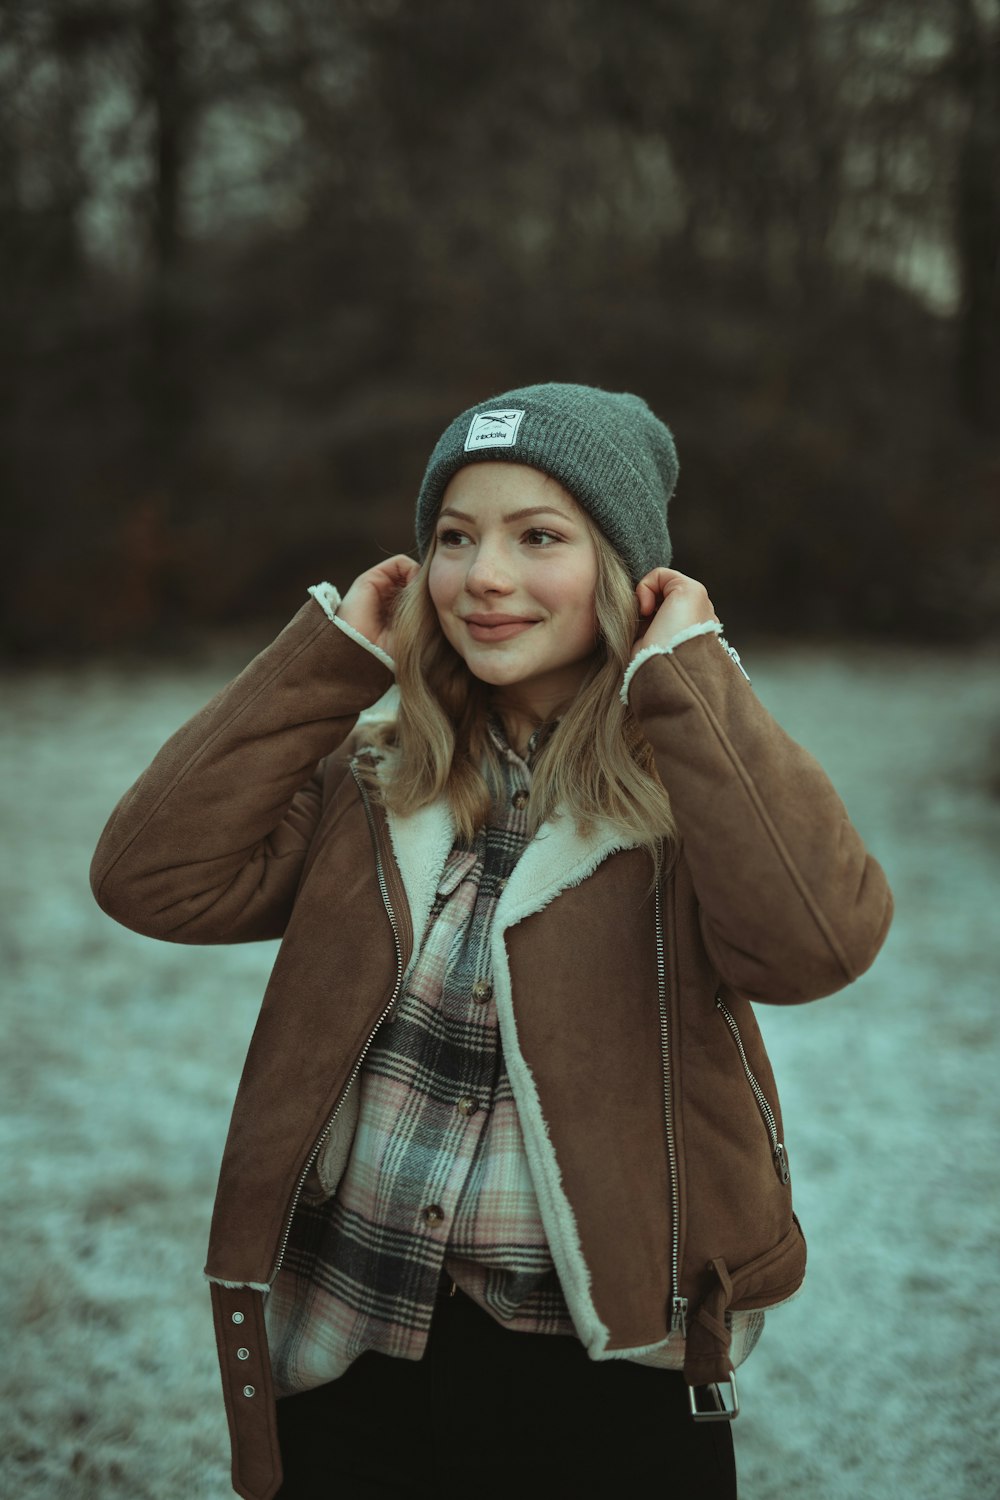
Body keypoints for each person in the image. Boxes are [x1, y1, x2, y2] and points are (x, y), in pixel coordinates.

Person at [91, 382, 893, 1500]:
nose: (487, 578)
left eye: (539, 537)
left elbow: (818, 944)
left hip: (597, 1371)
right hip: (353, 1345)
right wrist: (323, 664)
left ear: (626, 575)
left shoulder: (693, 792)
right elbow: (148, 878)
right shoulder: (377, 778)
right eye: (456, 538)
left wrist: (688, 675)